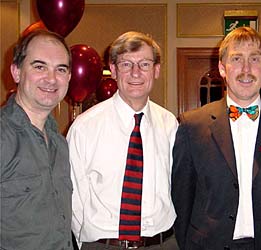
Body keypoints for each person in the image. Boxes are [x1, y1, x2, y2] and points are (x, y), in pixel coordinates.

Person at [171, 27, 261, 250]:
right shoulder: (190, 126)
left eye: (254, 59)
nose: (246, 69)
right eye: (236, 59)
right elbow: (182, 202)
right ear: (222, 68)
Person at [67, 31, 179, 249]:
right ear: (114, 70)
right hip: (104, 244)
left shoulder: (170, 125)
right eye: (126, 64)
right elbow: (73, 197)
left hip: (162, 243)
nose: (135, 73)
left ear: (156, 70)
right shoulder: (84, 127)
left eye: (144, 64)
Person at [0, 29, 74, 249]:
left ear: (69, 78)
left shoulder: (60, 143)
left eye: (60, 69)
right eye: (39, 66)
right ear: (16, 72)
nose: (51, 79)